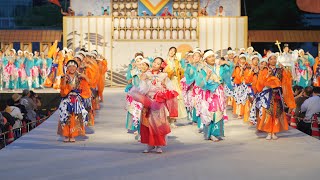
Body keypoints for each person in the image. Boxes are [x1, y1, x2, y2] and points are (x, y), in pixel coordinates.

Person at [129, 57, 177, 153]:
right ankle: (149, 144)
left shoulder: (164, 76)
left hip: (159, 103)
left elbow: (170, 88)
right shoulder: (146, 74)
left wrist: (164, 87)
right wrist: (144, 81)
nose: (155, 64)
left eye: (158, 63)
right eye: (154, 62)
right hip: (148, 101)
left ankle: (158, 145)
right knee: (147, 124)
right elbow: (142, 89)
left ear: (161, 66)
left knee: (159, 124)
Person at [253, 53, 296, 140]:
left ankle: (274, 132)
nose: (273, 60)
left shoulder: (280, 70)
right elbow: (260, 84)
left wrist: (286, 70)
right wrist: (267, 75)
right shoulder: (265, 70)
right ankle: (269, 132)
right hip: (268, 94)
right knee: (269, 112)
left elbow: (286, 81)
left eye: (274, 59)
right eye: (271, 59)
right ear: (268, 61)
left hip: (277, 93)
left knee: (277, 112)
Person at [57, 60, 89, 143]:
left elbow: (86, 87)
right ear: (67, 68)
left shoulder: (80, 76)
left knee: (75, 117)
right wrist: (65, 83)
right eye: (70, 66)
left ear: (76, 68)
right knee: (65, 116)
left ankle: (73, 134)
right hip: (67, 99)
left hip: (76, 99)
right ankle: (66, 134)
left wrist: (85, 78)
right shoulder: (64, 77)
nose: (72, 68)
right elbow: (62, 90)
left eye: (74, 66)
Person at [163, 47, 187, 127]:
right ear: (168, 51)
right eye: (171, 50)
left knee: (175, 100)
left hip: (175, 81)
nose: (172, 52)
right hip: (167, 81)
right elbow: (163, 71)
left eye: (174, 51)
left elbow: (181, 72)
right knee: (167, 100)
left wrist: (180, 70)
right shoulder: (165, 61)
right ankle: (167, 119)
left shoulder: (177, 61)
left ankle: (173, 120)